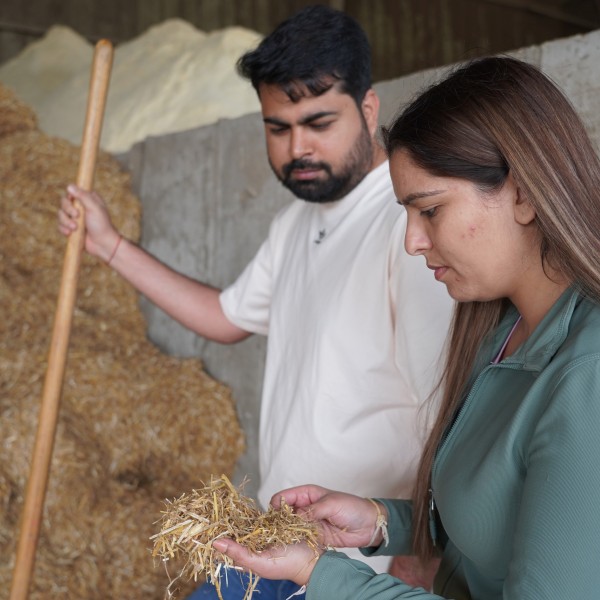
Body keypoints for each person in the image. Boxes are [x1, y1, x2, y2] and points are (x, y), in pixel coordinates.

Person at [58, 5, 452, 598]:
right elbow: (226, 317)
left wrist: (419, 549)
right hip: (276, 542)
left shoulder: (405, 226)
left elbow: (450, 408)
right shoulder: (296, 223)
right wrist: (110, 247)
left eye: (319, 122)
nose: (299, 148)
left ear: (368, 109)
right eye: (278, 127)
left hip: (356, 566)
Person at [211, 55, 600, 599]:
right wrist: (381, 521)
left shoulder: (588, 378)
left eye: (431, 211)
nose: (412, 241)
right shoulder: (502, 330)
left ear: (524, 195)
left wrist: (319, 573)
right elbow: (502, 517)